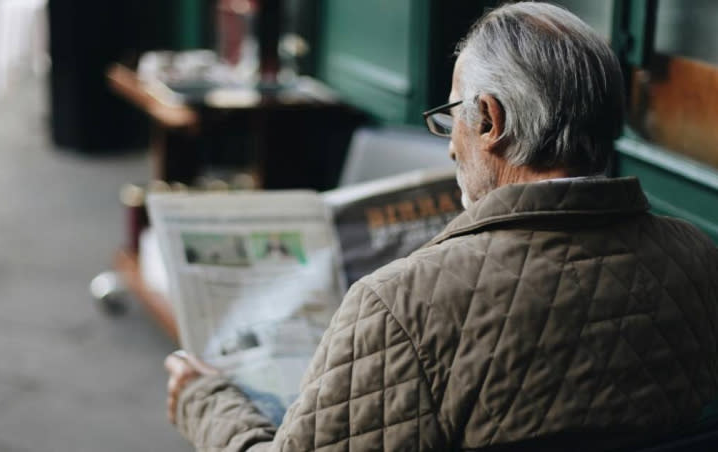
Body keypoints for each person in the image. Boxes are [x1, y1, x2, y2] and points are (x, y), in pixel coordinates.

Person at [164, 2, 718, 451]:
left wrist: (206, 402)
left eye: (453, 115)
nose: (450, 141)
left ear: (491, 120)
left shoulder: (401, 304)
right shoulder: (700, 258)